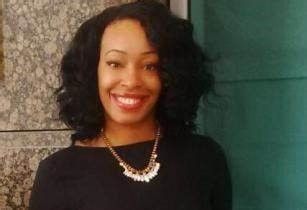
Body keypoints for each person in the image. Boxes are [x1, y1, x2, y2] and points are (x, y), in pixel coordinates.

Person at [29, 0, 232, 209]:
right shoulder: (58, 173)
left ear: (171, 74)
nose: (132, 80)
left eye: (149, 66)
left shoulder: (204, 158)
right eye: (115, 63)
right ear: (92, 71)